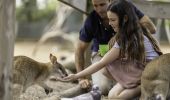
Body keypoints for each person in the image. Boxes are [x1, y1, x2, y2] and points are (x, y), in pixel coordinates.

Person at [61, 0, 163, 99]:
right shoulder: (92, 19)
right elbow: (82, 50)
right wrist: (79, 77)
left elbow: (152, 29)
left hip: (144, 67)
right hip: (105, 53)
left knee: (106, 72)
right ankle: (131, 84)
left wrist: (124, 31)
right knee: (107, 88)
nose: (99, 9)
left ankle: (143, 85)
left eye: (102, 4)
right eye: (95, 5)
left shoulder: (125, 10)